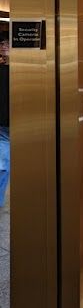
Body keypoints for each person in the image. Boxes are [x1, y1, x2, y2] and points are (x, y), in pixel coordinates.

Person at [0, 34, 8, 207]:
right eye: (1, 44)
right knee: (3, 166)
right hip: (2, 127)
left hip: (22, 125)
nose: (3, 46)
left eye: (7, 43)